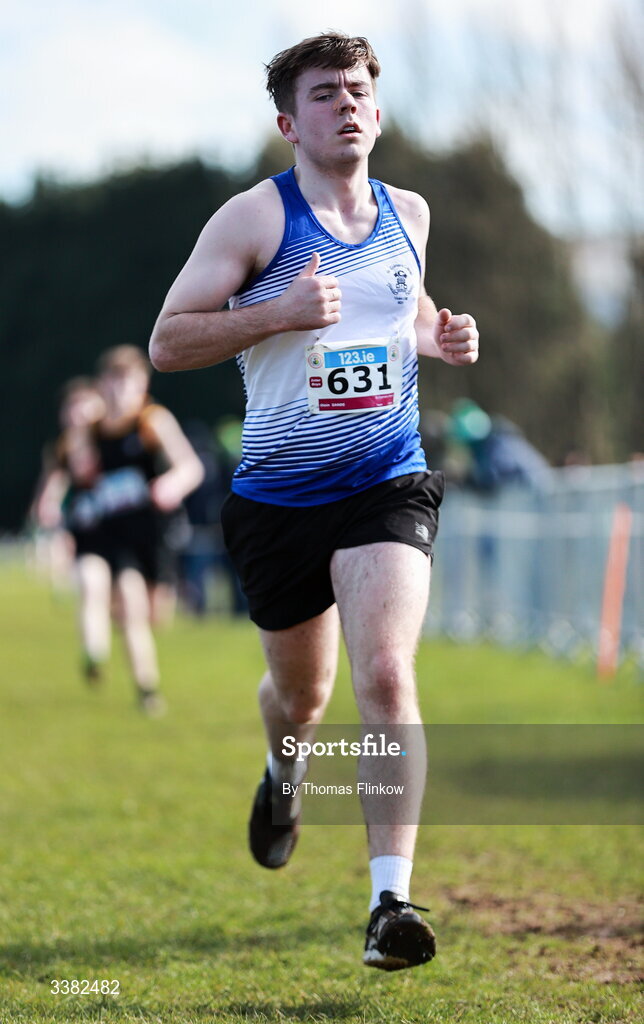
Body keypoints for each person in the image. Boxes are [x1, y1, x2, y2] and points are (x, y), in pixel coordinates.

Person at [149, 33, 479, 969]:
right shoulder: (252, 221)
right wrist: (276, 312)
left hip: (385, 478)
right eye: (325, 93)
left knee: (384, 675)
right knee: (304, 697)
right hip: (278, 498)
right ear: (290, 122)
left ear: (378, 110)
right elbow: (169, 343)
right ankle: (282, 774)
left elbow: (402, 311)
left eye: (360, 89)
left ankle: (390, 904)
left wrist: (440, 334)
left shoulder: (408, 212)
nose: (348, 104)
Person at [63, 348, 203, 713]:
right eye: (113, 381)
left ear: (143, 385)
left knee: (153, 615)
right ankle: (142, 686)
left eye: (129, 382)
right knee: (117, 595)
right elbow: (76, 471)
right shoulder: (90, 428)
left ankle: (131, 659)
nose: (120, 391)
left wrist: (172, 484)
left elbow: (190, 468)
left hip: (148, 534)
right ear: (102, 385)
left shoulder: (152, 421)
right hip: (103, 532)